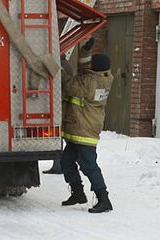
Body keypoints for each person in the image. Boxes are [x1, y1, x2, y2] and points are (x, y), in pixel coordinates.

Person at [60, 53, 114, 213]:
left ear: (94, 68)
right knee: (66, 162)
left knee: (89, 166)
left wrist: (60, 66)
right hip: (80, 128)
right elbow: (84, 71)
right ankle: (78, 193)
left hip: (84, 130)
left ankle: (104, 200)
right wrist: (84, 51)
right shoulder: (104, 78)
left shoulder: (90, 83)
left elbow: (69, 86)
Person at [44, 39, 94, 175]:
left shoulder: (62, 66)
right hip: (61, 105)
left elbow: (65, 84)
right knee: (60, 136)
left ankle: (58, 165)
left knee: (59, 136)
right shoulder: (65, 64)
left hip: (61, 105)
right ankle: (59, 164)